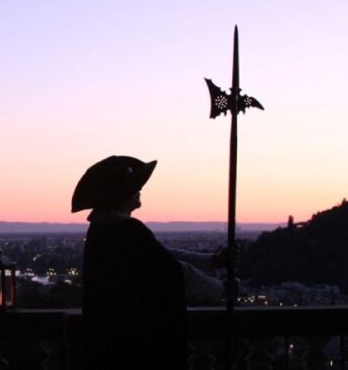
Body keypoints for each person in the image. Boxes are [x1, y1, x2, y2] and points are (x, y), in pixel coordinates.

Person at [72, 155, 230, 369]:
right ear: (122, 194)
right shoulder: (127, 230)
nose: (139, 190)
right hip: (131, 344)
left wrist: (212, 262)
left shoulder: (106, 229)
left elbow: (162, 255)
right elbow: (171, 270)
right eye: (134, 186)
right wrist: (220, 289)